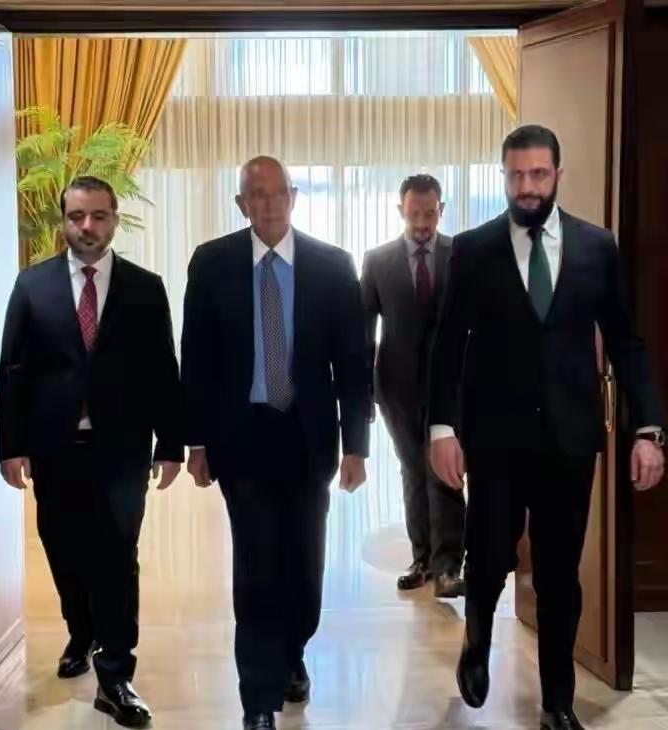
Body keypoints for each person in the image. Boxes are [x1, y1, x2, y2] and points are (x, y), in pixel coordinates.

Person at [428, 125, 665, 730]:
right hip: (495, 439)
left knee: (560, 575)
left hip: (569, 439)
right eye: (516, 175)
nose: (527, 186)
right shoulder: (474, 249)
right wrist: (441, 429)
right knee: (489, 558)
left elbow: (626, 342)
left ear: (558, 174)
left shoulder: (597, 247)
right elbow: (448, 344)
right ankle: (477, 636)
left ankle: (558, 702)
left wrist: (649, 428)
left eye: (538, 174)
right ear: (503, 176)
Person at [181, 156, 371, 730]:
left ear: (294, 196)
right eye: (255, 195)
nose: (267, 204)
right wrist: (196, 441)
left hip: (308, 438)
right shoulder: (212, 263)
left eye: (276, 192)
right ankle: (258, 699)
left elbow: (353, 363)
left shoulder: (332, 265)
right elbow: (197, 359)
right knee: (256, 567)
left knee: (304, 569)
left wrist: (357, 445)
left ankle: (293, 652)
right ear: (241, 204)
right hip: (241, 439)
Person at [0, 176, 184, 729]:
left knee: (118, 557)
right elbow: (13, 371)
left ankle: (116, 673)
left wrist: (171, 443)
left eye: (99, 216)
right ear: (64, 220)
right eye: (77, 216)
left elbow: (163, 371)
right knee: (64, 551)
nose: (87, 226)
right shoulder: (31, 286)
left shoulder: (145, 288)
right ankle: (81, 632)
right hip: (54, 448)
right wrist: (12, 446)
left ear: (114, 221)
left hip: (122, 448)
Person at [361, 174, 465, 598]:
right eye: (414, 214)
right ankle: (422, 559)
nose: (422, 223)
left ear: (442, 210)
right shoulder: (377, 261)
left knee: (447, 468)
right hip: (396, 385)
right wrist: (364, 395)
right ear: (400, 210)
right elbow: (364, 331)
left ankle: (449, 566)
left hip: (453, 385)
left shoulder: (461, 254)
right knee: (413, 468)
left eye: (430, 213)